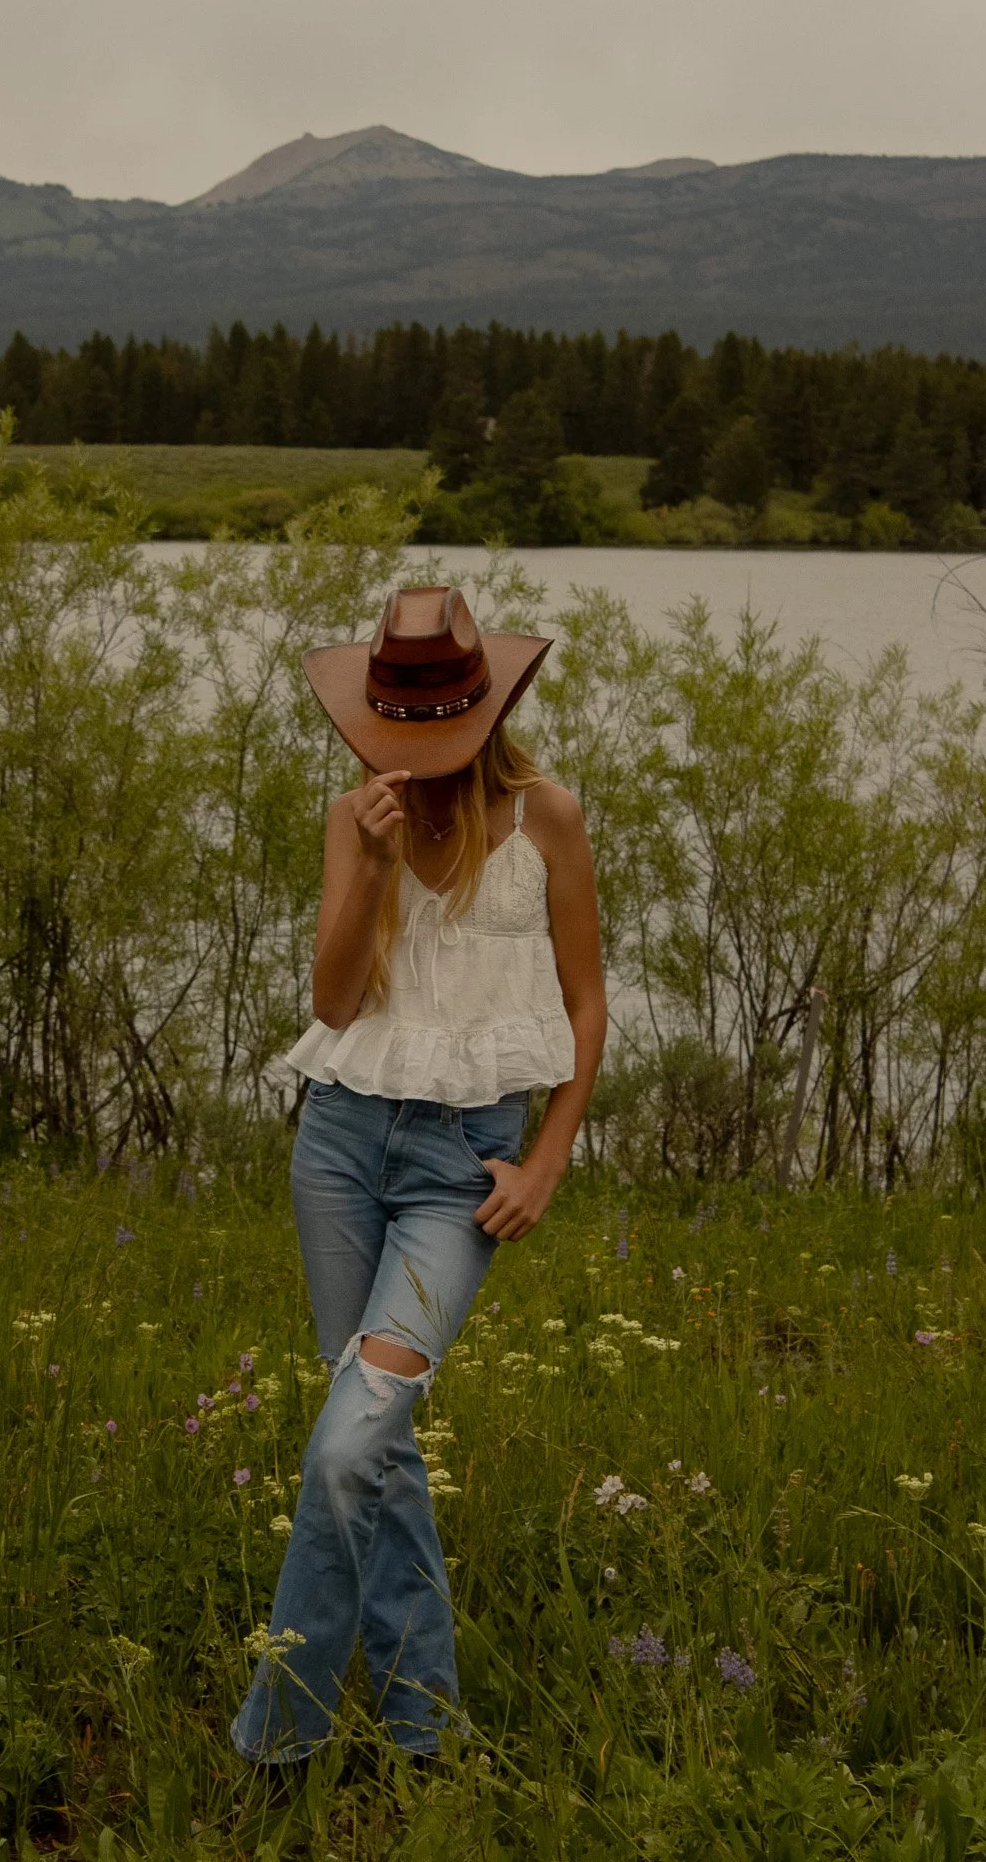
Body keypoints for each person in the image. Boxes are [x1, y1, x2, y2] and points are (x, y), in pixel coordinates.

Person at [232, 583, 606, 1765]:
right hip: (339, 1145)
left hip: (463, 1166)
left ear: (486, 710)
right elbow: (334, 1000)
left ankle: (276, 1741)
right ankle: (424, 1733)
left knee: (352, 1443)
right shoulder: (358, 816)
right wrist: (375, 865)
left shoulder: (548, 815)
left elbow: (589, 1002)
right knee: (377, 1452)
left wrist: (548, 1155)